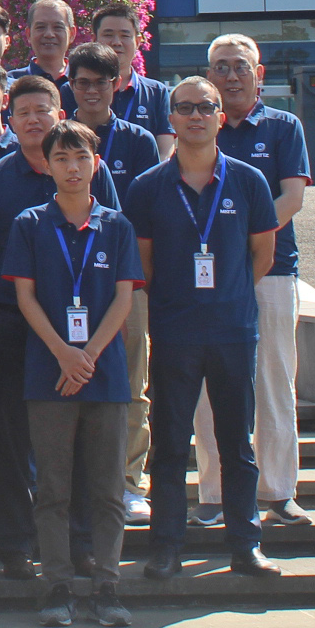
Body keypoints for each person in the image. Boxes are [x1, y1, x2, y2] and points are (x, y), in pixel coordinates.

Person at [127, 76, 283, 581]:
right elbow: (144, 264)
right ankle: (167, 547)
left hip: (233, 329)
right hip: (174, 332)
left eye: (205, 107)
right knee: (171, 444)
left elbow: (262, 254)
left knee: (236, 442)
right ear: (170, 118)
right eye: (185, 108)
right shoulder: (148, 187)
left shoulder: (248, 181)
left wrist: (227, 293)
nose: (196, 116)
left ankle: (246, 545)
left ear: (220, 116)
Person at [0, 73, 116, 580]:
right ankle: (15, 543)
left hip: (83, 332)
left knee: (78, 444)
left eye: (43, 111)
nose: (33, 120)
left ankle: (80, 544)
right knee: (13, 439)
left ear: (61, 115)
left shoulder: (88, 171)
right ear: (9, 119)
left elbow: (108, 237)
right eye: (24, 112)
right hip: (17, 325)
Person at [2, 119, 144, 628]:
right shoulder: (30, 224)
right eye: (61, 158)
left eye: (81, 157)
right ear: (47, 166)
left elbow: (124, 297)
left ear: (96, 164)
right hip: (49, 371)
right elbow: (24, 297)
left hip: (104, 374)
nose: (73, 167)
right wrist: (64, 353)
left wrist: (88, 355)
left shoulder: (116, 225)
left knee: (107, 488)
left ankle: (107, 584)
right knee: (53, 487)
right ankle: (57, 585)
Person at [194, 33, 311, 530]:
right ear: (209, 76)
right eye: (221, 67)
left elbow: (292, 198)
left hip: (272, 271)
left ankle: (279, 491)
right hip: (210, 278)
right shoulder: (200, 127)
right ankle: (214, 493)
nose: (231, 75)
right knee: (209, 386)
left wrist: (244, 244)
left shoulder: (284, 127)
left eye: (241, 66)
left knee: (274, 381)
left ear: (258, 74)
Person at [67, 44, 161, 210]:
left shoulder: (140, 140)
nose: (92, 90)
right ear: (71, 83)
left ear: (116, 83)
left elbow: (150, 205)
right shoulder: (58, 140)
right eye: (83, 82)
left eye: (101, 82)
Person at [92, 4, 174, 159]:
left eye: (125, 35)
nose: (116, 42)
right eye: (108, 35)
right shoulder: (77, 89)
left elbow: (165, 151)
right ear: (94, 40)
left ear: (138, 41)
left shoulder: (156, 92)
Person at [19, 0, 76, 86]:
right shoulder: (12, 83)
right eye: (41, 27)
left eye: (57, 27)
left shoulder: (83, 82)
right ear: (28, 34)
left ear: (72, 34)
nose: (49, 34)